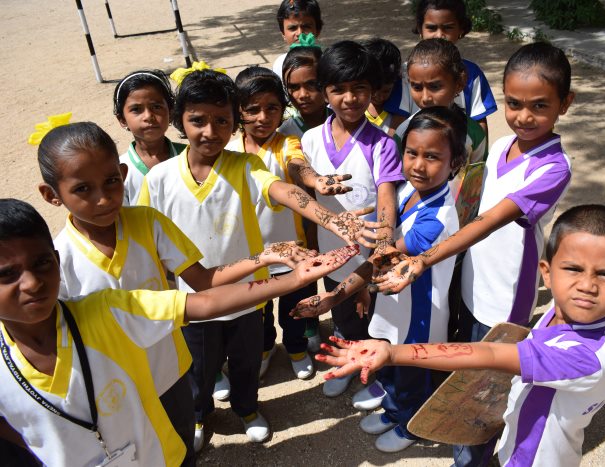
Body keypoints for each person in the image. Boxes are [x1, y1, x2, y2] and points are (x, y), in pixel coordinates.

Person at [0, 198, 357, 467]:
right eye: (6, 274)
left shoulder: (104, 310)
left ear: (55, 259)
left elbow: (203, 302)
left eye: (41, 263)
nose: (31, 283)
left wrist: (293, 279)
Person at [35, 121, 313, 457]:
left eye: (111, 181)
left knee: (182, 447)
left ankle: (226, 414)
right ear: (51, 195)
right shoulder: (57, 261)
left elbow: (203, 281)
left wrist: (263, 257)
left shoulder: (148, 223)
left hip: (169, 369)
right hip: (115, 391)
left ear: (123, 174)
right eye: (82, 189)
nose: (103, 198)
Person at [137, 67, 373, 447]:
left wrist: (329, 217)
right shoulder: (159, 179)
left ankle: (247, 409)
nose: (210, 131)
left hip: (248, 296)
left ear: (234, 123)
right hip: (192, 302)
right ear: (180, 120)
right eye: (198, 120)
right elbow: (147, 240)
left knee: (247, 362)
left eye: (221, 121)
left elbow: (282, 190)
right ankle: (198, 417)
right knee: (198, 369)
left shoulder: (247, 167)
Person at [371, 42, 576, 466]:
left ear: (565, 104)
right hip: (471, 281)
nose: (524, 116)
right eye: (514, 103)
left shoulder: (553, 168)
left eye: (539, 105)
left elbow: (489, 220)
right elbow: (468, 206)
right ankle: (441, 431)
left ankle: (470, 458)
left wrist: (424, 258)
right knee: (461, 367)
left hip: (504, 294)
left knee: (485, 388)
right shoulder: (500, 147)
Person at [319, 204, 605, 467]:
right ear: (546, 273)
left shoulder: (589, 357)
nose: (587, 285)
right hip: (517, 438)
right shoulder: (566, 313)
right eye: (573, 269)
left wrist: (392, 354)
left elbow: (488, 354)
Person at [294, 107, 465, 452]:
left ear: (456, 162)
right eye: (412, 153)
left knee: (411, 369)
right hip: (394, 299)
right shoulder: (409, 190)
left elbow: (380, 259)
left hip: (419, 313)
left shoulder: (439, 218)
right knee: (388, 356)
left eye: (432, 157)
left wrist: (336, 296)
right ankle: (394, 408)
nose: (418, 165)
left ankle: (411, 425)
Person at [296, 40, 405, 397]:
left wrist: (383, 249)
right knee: (342, 310)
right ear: (324, 91)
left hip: (370, 255)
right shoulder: (311, 139)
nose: (350, 98)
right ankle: (348, 358)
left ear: (372, 90)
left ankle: (373, 369)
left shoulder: (382, 144)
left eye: (359, 88)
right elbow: (305, 189)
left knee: (374, 314)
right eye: (338, 89)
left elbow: (386, 196)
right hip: (334, 252)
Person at [227, 66, 316, 379]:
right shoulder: (229, 150)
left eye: (272, 108)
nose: (263, 117)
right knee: (259, 310)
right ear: (238, 111)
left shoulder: (287, 143)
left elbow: (297, 165)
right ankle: (265, 348)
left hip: (293, 250)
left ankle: (296, 348)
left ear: (283, 108)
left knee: (294, 306)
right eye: (252, 109)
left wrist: (313, 178)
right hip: (252, 254)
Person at [395, 38, 488, 225]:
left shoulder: (474, 134)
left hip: (457, 223)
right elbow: (397, 179)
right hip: (412, 220)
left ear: (459, 83)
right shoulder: (404, 131)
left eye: (435, 86)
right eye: (416, 87)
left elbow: (476, 181)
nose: (425, 97)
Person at [385, 0, 497, 134]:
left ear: (461, 29)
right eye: (431, 28)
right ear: (420, 29)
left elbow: (479, 121)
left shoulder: (472, 73)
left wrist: (480, 147)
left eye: (448, 27)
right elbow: (398, 122)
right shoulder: (405, 73)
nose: (439, 35)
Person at [113, 69, 186, 205]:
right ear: (122, 120)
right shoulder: (119, 170)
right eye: (136, 109)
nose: (148, 116)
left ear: (170, 112)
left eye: (156, 107)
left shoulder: (189, 156)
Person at [279, 44, 328, 137]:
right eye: (294, 87)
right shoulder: (285, 134)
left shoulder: (344, 120)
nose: (303, 95)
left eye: (311, 84)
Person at [361, 38, 406, 137]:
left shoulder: (402, 101)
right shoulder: (354, 106)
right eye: (373, 90)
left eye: (386, 91)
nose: (379, 97)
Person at [273, 0, 323, 78]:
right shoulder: (279, 65)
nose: (300, 33)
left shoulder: (326, 63)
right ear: (283, 34)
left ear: (318, 30)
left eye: (306, 27)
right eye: (292, 28)